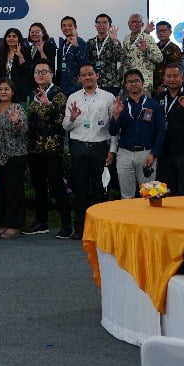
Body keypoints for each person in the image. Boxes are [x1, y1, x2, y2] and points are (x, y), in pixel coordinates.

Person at [62, 63, 116, 239]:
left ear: (97, 75)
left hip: (100, 147)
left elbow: (114, 128)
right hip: (78, 147)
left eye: (90, 74)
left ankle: (102, 228)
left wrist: (112, 150)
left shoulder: (108, 97)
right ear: (79, 78)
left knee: (100, 190)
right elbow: (65, 126)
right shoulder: (73, 97)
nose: (87, 77)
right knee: (80, 190)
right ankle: (80, 227)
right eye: (84, 75)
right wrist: (72, 118)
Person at [24, 61, 71, 237]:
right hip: (34, 148)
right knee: (39, 186)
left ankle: (67, 225)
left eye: (44, 71)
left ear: (52, 74)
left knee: (57, 186)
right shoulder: (33, 93)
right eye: (37, 72)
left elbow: (60, 120)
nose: (40, 74)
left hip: (51, 148)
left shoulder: (58, 94)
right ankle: (41, 222)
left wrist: (48, 104)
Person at [109, 69, 166, 199]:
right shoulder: (121, 106)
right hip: (125, 153)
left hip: (146, 153)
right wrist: (116, 115)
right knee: (126, 195)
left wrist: (154, 153)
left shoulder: (154, 105)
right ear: (125, 85)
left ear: (143, 83)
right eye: (130, 81)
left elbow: (161, 131)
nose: (133, 84)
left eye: (136, 81)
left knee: (149, 194)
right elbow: (113, 131)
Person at [155, 64, 184, 196]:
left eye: (175, 76)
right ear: (164, 79)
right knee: (167, 193)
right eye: (169, 76)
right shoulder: (159, 98)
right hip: (165, 153)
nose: (172, 79)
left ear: (182, 77)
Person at [0, 78, 27, 239]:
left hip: (15, 155)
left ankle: (15, 225)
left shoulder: (17, 108)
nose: (3, 92)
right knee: (1, 192)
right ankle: (3, 224)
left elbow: (23, 130)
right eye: (0, 89)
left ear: (12, 92)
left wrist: (16, 122)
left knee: (14, 191)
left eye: (6, 89)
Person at [120, 15, 163, 95]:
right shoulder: (126, 38)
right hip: (128, 84)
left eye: (137, 22)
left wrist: (145, 50)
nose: (134, 24)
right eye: (132, 22)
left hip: (144, 85)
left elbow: (159, 58)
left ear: (142, 24)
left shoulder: (147, 38)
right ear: (128, 23)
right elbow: (124, 60)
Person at [0, 27, 33, 102]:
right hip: (4, 91)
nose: (11, 38)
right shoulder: (1, 53)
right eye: (9, 36)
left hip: (21, 91)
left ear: (19, 39)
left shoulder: (25, 52)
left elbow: (27, 71)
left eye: (14, 36)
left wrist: (20, 56)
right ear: (6, 39)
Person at [87, 14, 124, 94]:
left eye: (104, 22)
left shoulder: (114, 41)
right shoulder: (90, 42)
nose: (101, 25)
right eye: (98, 23)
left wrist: (114, 41)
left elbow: (120, 58)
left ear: (109, 25)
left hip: (111, 83)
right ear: (95, 25)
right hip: (94, 83)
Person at [56, 16, 90, 95]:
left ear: (75, 27)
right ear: (61, 28)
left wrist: (76, 46)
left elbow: (85, 64)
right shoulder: (63, 44)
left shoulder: (80, 42)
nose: (66, 28)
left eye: (70, 25)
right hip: (63, 87)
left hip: (77, 88)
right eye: (64, 26)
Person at [152, 21, 182, 93]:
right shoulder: (153, 47)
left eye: (164, 31)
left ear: (170, 32)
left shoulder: (174, 48)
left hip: (167, 86)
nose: (161, 33)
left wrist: (164, 84)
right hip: (152, 84)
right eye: (158, 31)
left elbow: (175, 68)